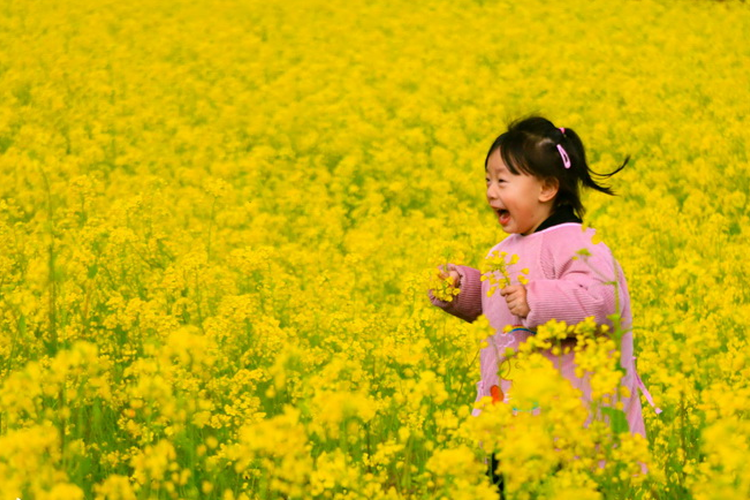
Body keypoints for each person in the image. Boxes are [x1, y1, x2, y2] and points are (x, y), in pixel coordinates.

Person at [429, 116, 656, 493]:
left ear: (548, 188)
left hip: (570, 420)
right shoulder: (505, 249)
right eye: (488, 180)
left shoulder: (577, 242)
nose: (490, 191)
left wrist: (535, 299)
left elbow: (600, 301)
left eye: (503, 181)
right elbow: (498, 306)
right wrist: (461, 289)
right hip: (512, 415)